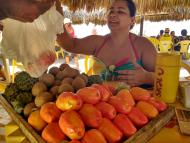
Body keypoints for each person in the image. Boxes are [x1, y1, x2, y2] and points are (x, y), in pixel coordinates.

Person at [57, 0, 156, 87]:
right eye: (111, 10)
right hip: (98, 105)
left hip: (134, 106)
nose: (113, 14)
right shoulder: (98, 42)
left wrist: (147, 77)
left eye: (120, 11)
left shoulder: (143, 46)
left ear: (132, 20)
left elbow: (166, 77)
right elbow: (70, 45)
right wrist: (56, 15)